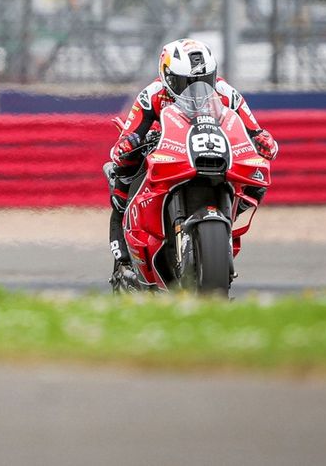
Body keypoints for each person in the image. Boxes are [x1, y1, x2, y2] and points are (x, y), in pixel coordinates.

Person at [105, 38, 278, 287]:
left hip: (209, 148)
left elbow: (253, 128)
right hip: (166, 149)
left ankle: (225, 221)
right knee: (122, 174)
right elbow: (127, 137)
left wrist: (262, 139)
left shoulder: (226, 93)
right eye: (185, 82)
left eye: (203, 80)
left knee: (257, 181)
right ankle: (122, 259)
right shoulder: (151, 95)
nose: (195, 87)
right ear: (168, 77)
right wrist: (129, 144)